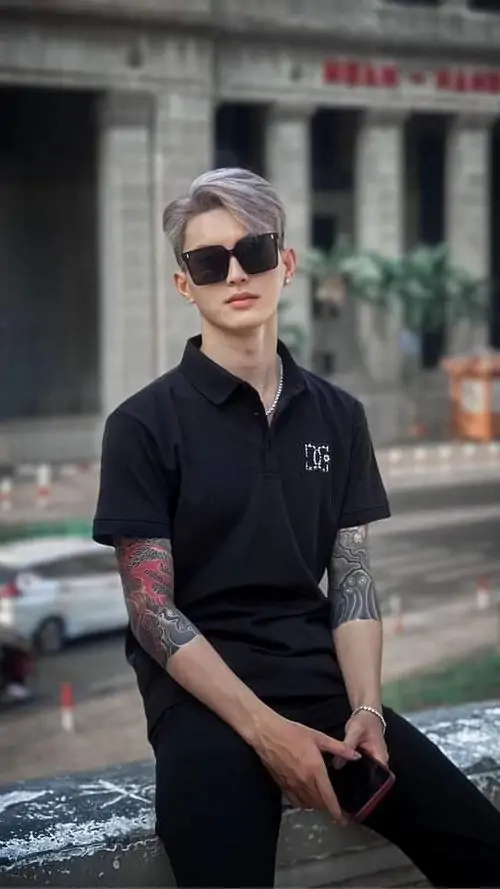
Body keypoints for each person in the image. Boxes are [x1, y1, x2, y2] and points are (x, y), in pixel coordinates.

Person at [93, 167, 500, 889]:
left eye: (253, 251)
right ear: (185, 284)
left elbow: (352, 576)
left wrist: (367, 709)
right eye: (208, 262)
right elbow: (151, 610)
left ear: (285, 263)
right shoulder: (141, 425)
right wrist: (265, 730)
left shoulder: (339, 415)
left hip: (319, 682)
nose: (235, 274)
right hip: (200, 703)